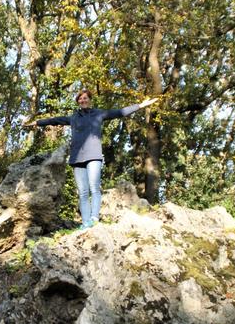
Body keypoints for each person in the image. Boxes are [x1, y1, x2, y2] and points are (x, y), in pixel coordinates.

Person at [23, 89, 158, 229]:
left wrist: (141, 105)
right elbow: (54, 120)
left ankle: (94, 218)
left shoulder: (99, 114)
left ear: (90, 99)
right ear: (78, 102)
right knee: (82, 192)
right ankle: (85, 222)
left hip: (94, 156)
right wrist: (36, 123)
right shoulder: (73, 118)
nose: (83, 100)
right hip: (77, 158)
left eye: (85, 98)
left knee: (94, 188)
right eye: (80, 99)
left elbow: (120, 112)